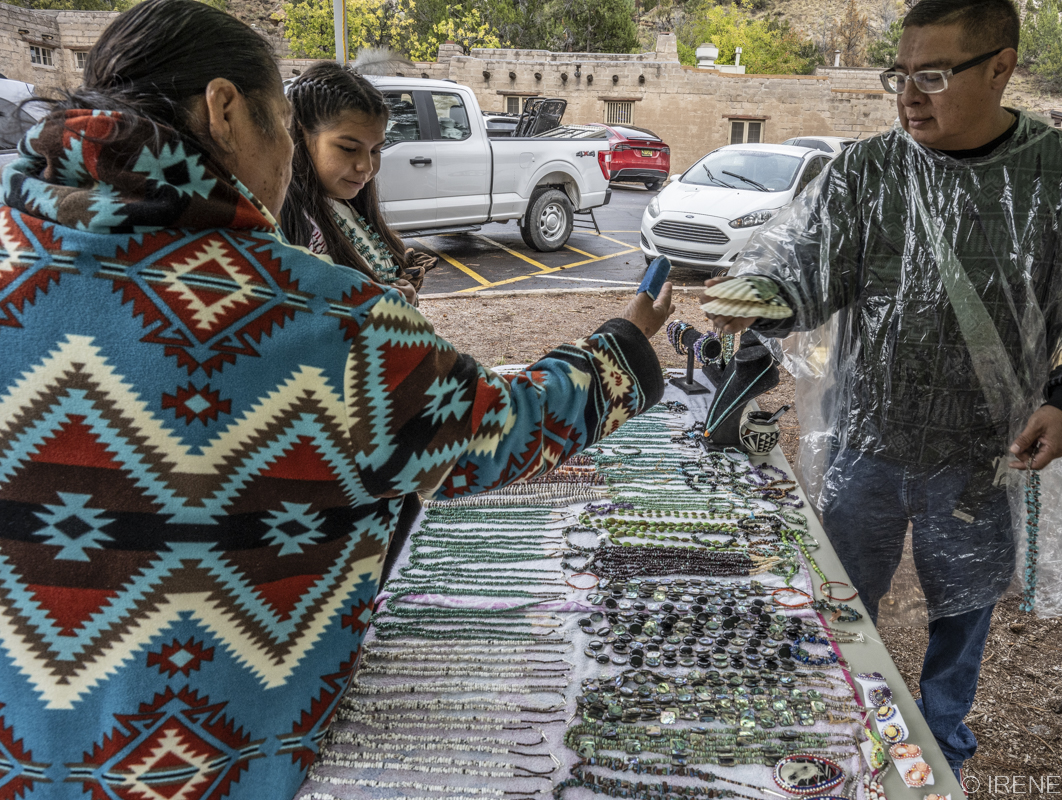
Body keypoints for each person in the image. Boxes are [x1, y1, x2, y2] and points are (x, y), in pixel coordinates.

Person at [0, 1, 672, 797]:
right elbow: (499, 430)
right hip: (241, 768)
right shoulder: (328, 321)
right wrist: (620, 349)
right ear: (224, 110)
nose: (288, 150)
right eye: (282, 123)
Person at [704, 0, 1062, 781]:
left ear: (1001, 67)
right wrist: (764, 294)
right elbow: (812, 266)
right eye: (899, 75)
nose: (909, 95)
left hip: (986, 448)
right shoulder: (870, 171)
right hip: (867, 440)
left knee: (962, 610)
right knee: (839, 602)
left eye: (933, 76)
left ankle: (941, 752)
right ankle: (830, 733)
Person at [280, 61, 434, 304]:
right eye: (349, 148)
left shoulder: (348, 205)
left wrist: (405, 298)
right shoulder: (295, 225)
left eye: (376, 150)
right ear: (301, 134)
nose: (367, 167)